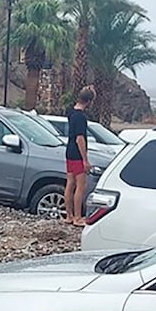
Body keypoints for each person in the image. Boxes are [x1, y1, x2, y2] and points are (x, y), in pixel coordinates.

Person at [63, 86, 95, 226]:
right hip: (77, 153)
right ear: (89, 101)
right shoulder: (81, 117)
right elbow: (80, 138)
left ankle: (68, 215)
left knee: (70, 183)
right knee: (80, 186)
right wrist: (85, 159)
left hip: (69, 151)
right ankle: (77, 217)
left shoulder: (71, 113)